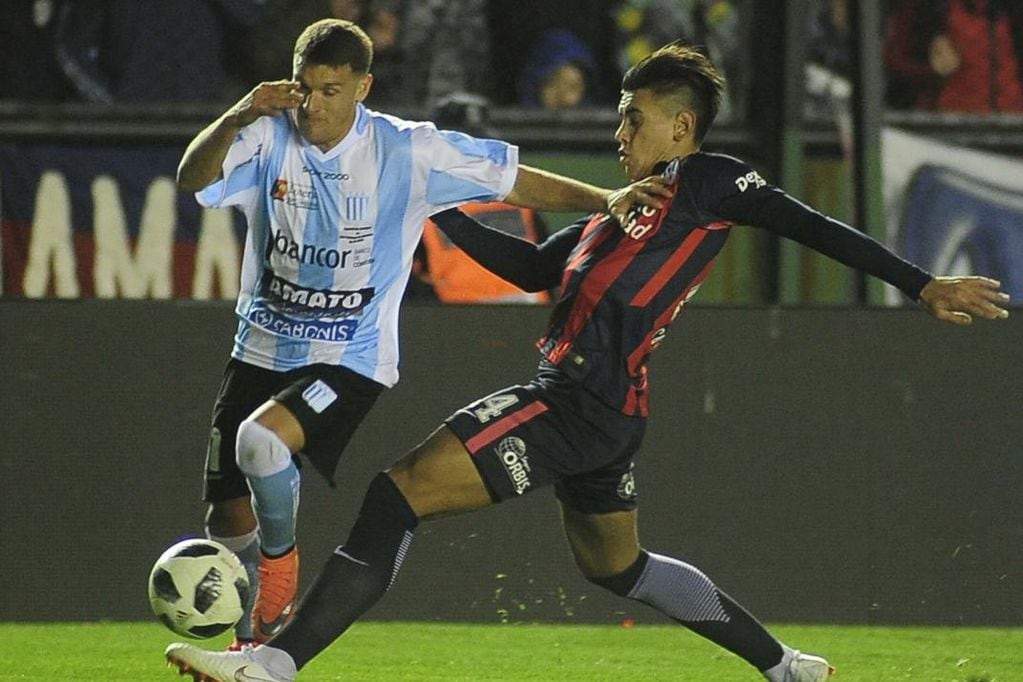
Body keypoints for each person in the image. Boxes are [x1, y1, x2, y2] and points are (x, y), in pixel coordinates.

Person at [164, 41, 1010, 681]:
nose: (618, 133)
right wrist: (432, 207)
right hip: (610, 419)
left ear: (679, 126)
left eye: (632, 119)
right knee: (618, 567)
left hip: (572, 403)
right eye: (618, 117)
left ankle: (272, 666)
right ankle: (784, 666)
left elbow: (809, 226)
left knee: (396, 496)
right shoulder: (612, 217)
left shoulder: (708, 181)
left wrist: (921, 282)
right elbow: (534, 269)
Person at [173, 18, 665, 650]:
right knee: (227, 515)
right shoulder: (265, 135)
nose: (315, 105)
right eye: (306, 88)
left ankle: (280, 575)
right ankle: (249, 645)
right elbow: (192, 177)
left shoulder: (408, 148)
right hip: (261, 345)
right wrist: (239, 113)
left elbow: (510, 179)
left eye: (331, 90)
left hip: (349, 356)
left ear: (363, 88)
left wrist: (604, 198)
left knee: (260, 444)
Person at [884, 0, 1023, 112]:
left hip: (1013, 127)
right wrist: (931, 69)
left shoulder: (1012, 8)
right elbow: (894, 61)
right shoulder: (927, 7)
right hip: (946, 127)